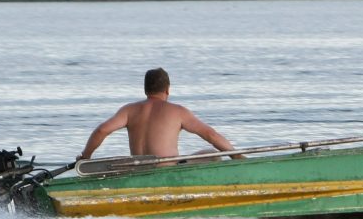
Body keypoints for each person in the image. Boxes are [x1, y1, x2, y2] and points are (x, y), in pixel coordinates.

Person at [78, 68, 245, 162]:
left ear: (145, 90)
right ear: (167, 89)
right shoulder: (178, 111)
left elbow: (102, 130)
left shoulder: (128, 110)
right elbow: (210, 135)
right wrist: (237, 156)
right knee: (212, 156)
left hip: (140, 168)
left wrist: (85, 157)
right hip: (167, 169)